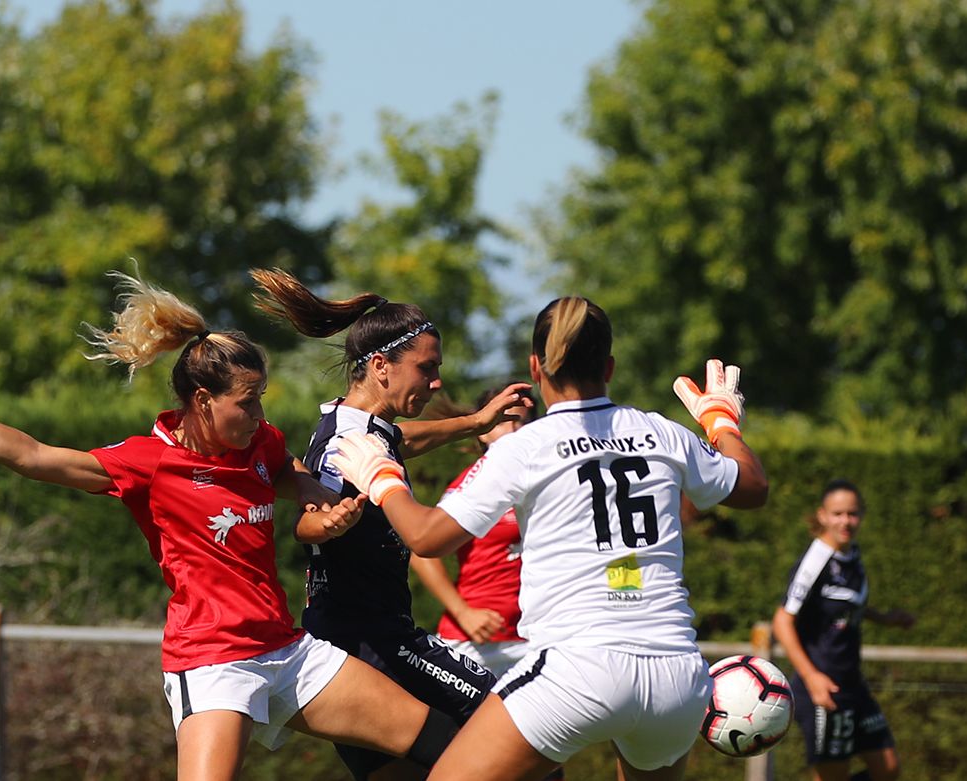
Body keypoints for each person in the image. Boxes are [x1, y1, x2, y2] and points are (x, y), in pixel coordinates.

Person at [0, 270, 463, 781]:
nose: (261, 416)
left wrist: (316, 494)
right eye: (247, 401)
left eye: (262, 398)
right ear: (202, 401)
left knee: (453, 747)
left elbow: (282, 471)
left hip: (289, 652)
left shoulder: (258, 444)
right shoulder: (150, 461)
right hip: (213, 662)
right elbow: (37, 456)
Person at [325, 296, 770, 781]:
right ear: (610, 366)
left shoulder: (526, 446)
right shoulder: (663, 433)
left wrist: (382, 475)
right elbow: (751, 487)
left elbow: (427, 538)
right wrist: (721, 420)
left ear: (536, 367)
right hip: (677, 677)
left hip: (580, 669)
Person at [250, 268, 532, 781]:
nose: (437, 380)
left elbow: (406, 440)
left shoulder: (368, 426)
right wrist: (329, 523)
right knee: (517, 731)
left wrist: (475, 422)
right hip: (372, 642)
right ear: (381, 366)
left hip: (357, 636)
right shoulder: (346, 443)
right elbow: (306, 526)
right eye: (427, 368)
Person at [772, 480, 915, 781]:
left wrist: (886, 619)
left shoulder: (852, 556)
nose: (845, 521)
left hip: (853, 684)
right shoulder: (816, 560)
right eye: (837, 514)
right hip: (824, 688)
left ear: (861, 515)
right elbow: (782, 621)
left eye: (852, 514)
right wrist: (812, 678)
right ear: (822, 515)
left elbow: (844, 606)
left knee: (888, 769)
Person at [408, 382, 537, 679]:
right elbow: (422, 550)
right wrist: (463, 612)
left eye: (524, 422)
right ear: (483, 429)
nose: (516, 430)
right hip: (477, 644)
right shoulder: (475, 484)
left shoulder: (547, 479)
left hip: (535, 639)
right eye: (506, 420)